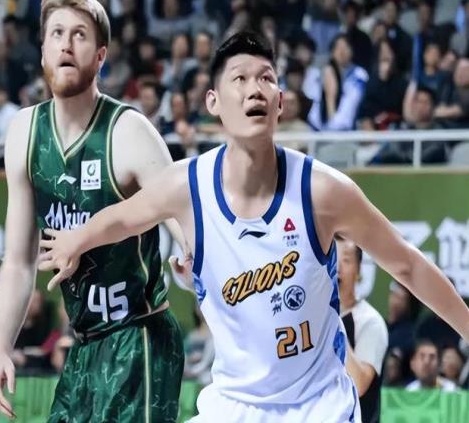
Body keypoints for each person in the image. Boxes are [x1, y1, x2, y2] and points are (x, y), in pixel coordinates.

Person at [40, 31, 469, 422]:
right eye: (240, 79)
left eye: (266, 78)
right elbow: (122, 217)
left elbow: (408, 264)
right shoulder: (187, 186)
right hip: (234, 405)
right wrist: (76, 240)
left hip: (319, 406)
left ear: (280, 102)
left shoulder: (323, 191)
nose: (255, 89)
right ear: (213, 102)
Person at [0, 0, 184, 422]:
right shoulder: (24, 132)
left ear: (100, 56)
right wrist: (1, 348)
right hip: (83, 345)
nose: (66, 44)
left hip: (140, 336)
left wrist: (192, 255)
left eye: (79, 35)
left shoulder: (128, 131)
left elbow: (183, 216)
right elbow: (19, 260)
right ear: (43, 51)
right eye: (57, 33)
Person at [336, 237, 388, 423]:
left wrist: (331, 318)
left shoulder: (370, 321)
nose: (337, 267)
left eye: (346, 260)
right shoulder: (309, 316)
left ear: (358, 271)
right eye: (332, 257)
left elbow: (359, 384)